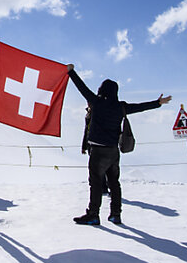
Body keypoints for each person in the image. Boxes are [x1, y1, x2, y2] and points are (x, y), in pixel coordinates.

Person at [66, 64, 171, 226]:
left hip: (98, 150)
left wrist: (71, 72)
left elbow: (82, 88)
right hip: (113, 151)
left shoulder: (96, 102)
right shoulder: (120, 107)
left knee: (95, 182)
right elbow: (141, 107)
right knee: (114, 182)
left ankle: (93, 215)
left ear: (102, 90)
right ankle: (116, 214)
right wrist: (158, 103)